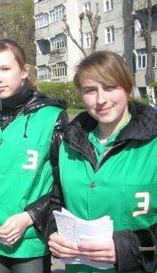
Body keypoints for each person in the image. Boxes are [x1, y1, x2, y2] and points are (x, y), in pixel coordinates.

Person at [0, 39, 68, 272]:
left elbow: (65, 183)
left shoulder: (52, 117)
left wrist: (29, 216)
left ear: (24, 71)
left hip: (29, 239)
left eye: (5, 69)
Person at [46, 51, 157, 272]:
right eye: (90, 90)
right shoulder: (68, 143)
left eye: (110, 87)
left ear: (127, 86)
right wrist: (53, 233)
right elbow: (55, 202)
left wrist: (128, 248)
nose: (100, 100)